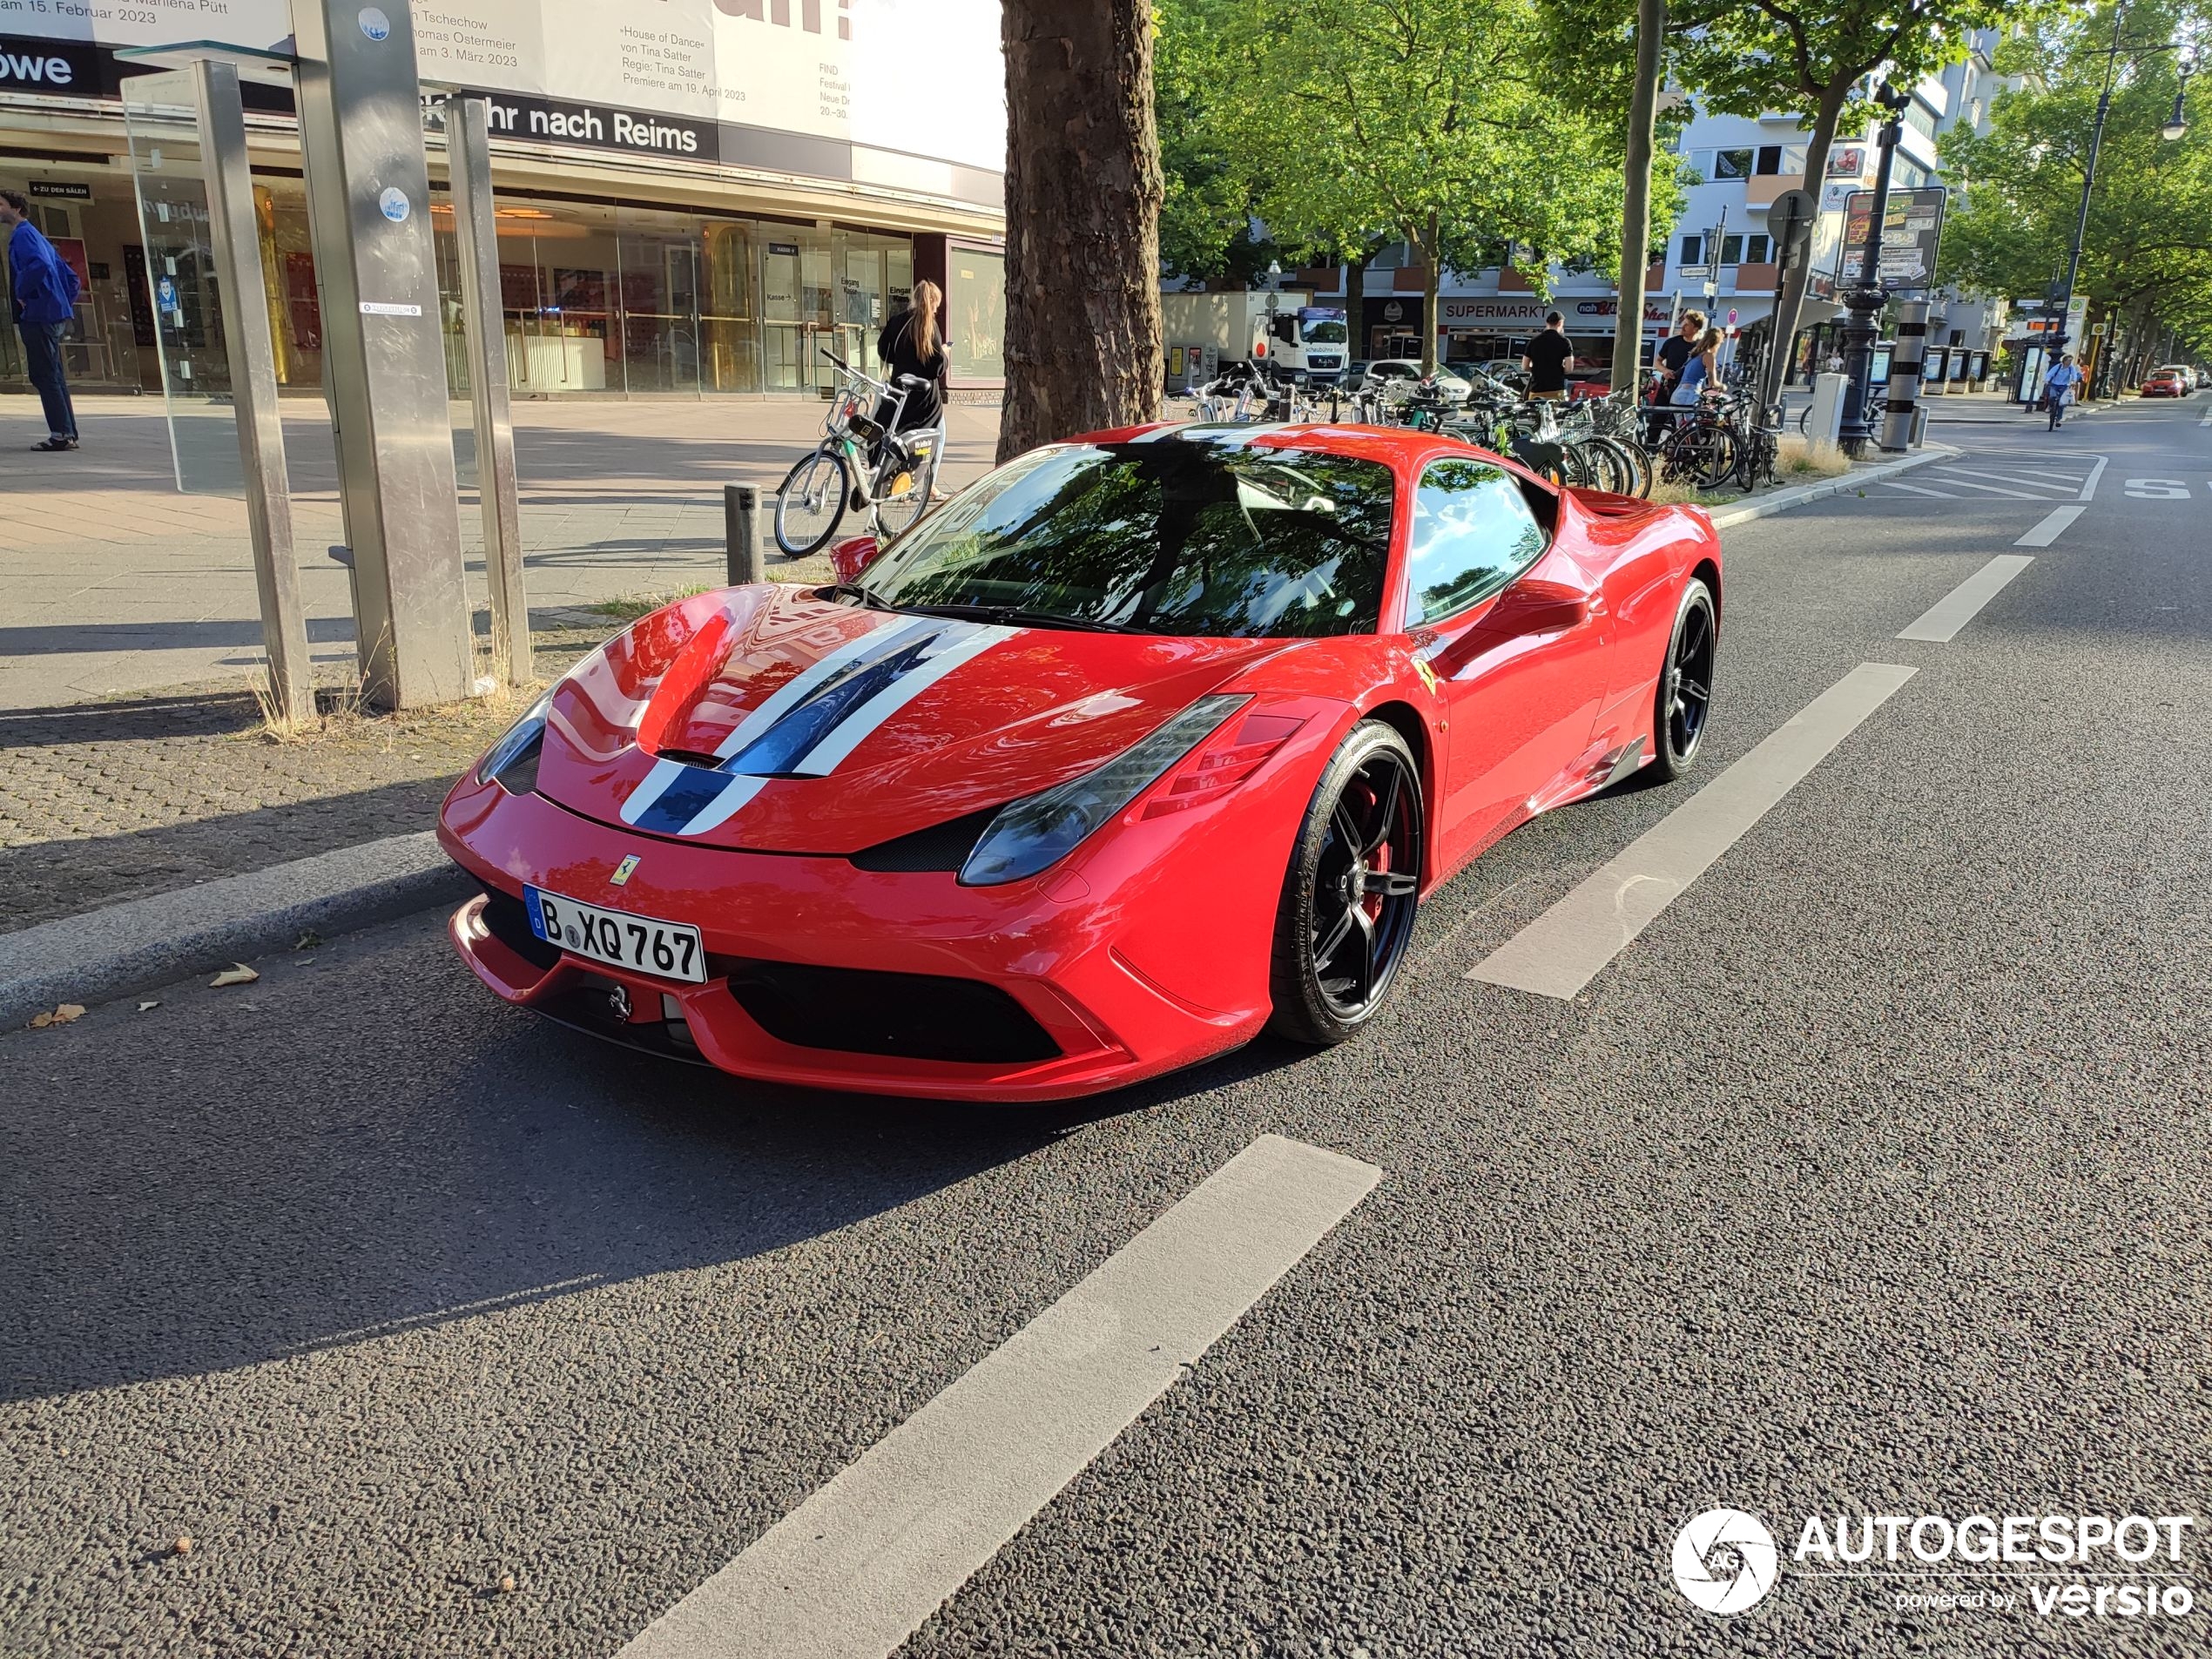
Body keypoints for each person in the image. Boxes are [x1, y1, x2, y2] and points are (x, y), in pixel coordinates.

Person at [2, 189, 83, 451]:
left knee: (44, 374)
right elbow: (71, 278)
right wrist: (61, 302)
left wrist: (22, 294)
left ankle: (61, 434)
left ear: (16, 209)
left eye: (0, 204)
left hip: (38, 315)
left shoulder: (23, 235)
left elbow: (39, 266)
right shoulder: (38, 236)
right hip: (51, 312)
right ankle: (68, 432)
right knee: (54, 374)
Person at [1521, 310, 1574, 401]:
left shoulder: (1533, 341)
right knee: (1556, 415)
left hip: (1536, 389)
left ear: (1546, 323)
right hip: (1556, 390)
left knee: (1533, 415)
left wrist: (1537, 369)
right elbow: (1569, 369)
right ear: (1560, 323)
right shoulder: (1565, 342)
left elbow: (1525, 367)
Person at [1669, 327, 1722, 407]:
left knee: (1683, 419)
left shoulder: (1695, 354)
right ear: (1717, 342)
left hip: (1677, 394)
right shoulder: (1708, 356)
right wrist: (1723, 387)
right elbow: (1713, 384)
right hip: (1690, 395)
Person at [2042, 352, 2083, 430]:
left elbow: (2074, 375)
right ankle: (2050, 407)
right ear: (2064, 361)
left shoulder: (2071, 368)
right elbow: (2050, 374)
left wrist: (2073, 381)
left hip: (2064, 386)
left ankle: (2058, 420)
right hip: (2055, 384)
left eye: (2071, 361)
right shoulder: (2058, 366)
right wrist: (2047, 380)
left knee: (2062, 403)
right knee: (2052, 396)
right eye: (2068, 360)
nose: (2069, 362)